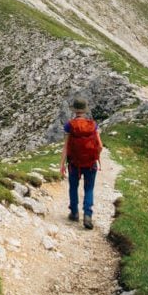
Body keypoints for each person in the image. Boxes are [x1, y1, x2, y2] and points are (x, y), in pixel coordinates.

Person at [59, 97, 103, 229]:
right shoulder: (93, 125)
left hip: (74, 163)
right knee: (89, 189)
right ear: (84, 110)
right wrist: (95, 157)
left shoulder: (69, 125)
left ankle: (74, 213)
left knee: (73, 187)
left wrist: (62, 164)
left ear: (74, 111)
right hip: (90, 164)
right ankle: (88, 215)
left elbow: (66, 147)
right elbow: (100, 145)